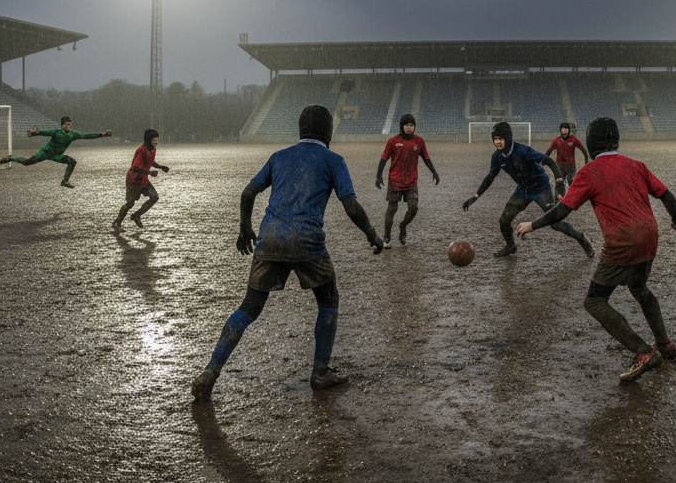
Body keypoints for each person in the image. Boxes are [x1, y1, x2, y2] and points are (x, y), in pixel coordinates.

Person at [192, 105, 384, 401]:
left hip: (269, 237)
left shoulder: (279, 156)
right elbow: (351, 206)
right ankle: (320, 373)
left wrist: (245, 229)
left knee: (249, 307)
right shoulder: (333, 160)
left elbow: (248, 193)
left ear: (300, 130)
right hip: (306, 240)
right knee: (328, 299)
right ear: (329, 131)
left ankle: (210, 372)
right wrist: (372, 234)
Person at [517, 117, 676, 382]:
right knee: (640, 289)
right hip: (650, 236)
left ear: (592, 143)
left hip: (622, 241)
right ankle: (664, 344)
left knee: (594, 300)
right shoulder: (637, 165)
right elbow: (667, 195)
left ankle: (643, 351)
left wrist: (532, 225)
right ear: (617, 140)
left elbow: (562, 211)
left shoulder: (590, 171)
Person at [462, 121, 593, 258]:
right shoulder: (497, 157)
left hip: (541, 188)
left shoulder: (523, 151)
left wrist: (559, 180)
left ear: (507, 138)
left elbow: (548, 160)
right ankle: (511, 246)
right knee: (504, 220)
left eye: (500, 138)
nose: (498, 142)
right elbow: (490, 177)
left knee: (555, 223)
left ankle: (581, 238)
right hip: (522, 191)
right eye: (495, 139)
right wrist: (475, 197)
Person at [375, 113, 439, 247]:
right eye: (406, 125)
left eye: (411, 125)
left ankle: (403, 226)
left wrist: (434, 172)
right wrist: (378, 176)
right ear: (402, 126)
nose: (409, 128)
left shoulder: (419, 141)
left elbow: (426, 158)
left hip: (411, 182)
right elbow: (383, 159)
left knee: (414, 208)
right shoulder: (393, 141)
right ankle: (387, 237)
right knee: (391, 209)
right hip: (395, 181)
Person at [0, 116, 112, 188]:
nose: (67, 126)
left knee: (72, 162)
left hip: (56, 156)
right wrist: (36, 133)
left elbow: (87, 136)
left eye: (69, 124)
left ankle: (65, 181)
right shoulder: (57, 132)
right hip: (45, 152)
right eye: (65, 124)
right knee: (27, 162)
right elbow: (45, 132)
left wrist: (102, 134)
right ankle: (11, 157)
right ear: (62, 125)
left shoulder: (73, 134)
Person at [113, 129, 168, 229]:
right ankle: (117, 222)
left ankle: (136, 215)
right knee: (130, 204)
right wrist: (149, 172)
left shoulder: (153, 149)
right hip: (133, 181)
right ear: (148, 139)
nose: (156, 142)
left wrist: (161, 167)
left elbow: (150, 161)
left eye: (157, 139)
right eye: (154, 140)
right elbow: (135, 168)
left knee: (154, 197)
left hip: (144, 180)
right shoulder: (141, 150)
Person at [544, 122, 589, 187]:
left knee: (572, 183)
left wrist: (586, 161)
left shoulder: (573, 139)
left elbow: (583, 150)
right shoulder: (557, 140)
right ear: (560, 130)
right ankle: (559, 196)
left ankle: (572, 196)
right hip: (560, 165)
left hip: (571, 166)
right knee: (559, 183)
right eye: (562, 129)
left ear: (568, 130)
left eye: (566, 129)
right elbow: (548, 151)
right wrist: (543, 160)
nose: (564, 130)